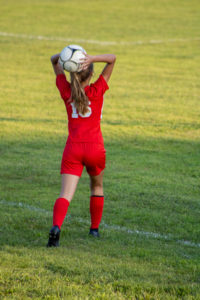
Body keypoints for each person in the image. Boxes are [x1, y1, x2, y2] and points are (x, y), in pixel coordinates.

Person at [47, 49, 116, 247]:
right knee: (97, 186)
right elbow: (112, 59)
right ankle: (94, 230)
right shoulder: (97, 90)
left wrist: (65, 57)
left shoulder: (66, 91)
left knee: (65, 195)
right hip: (95, 148)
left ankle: (56, 227)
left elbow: (54, 61)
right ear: (91, 74)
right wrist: (92, 58)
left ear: (71, 72)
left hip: (73, 149)